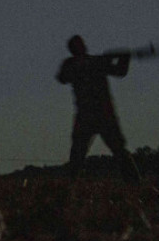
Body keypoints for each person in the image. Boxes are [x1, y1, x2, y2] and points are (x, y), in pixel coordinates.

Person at [56, 34, 140, 182]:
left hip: (101, 114)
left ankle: (134, 182)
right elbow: (62, 77)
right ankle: (69, 185)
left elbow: (120, 72)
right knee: (78, 154)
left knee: (118, 151)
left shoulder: (96, 62)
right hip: (90, 115)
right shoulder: (77, 64)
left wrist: (124, 58)